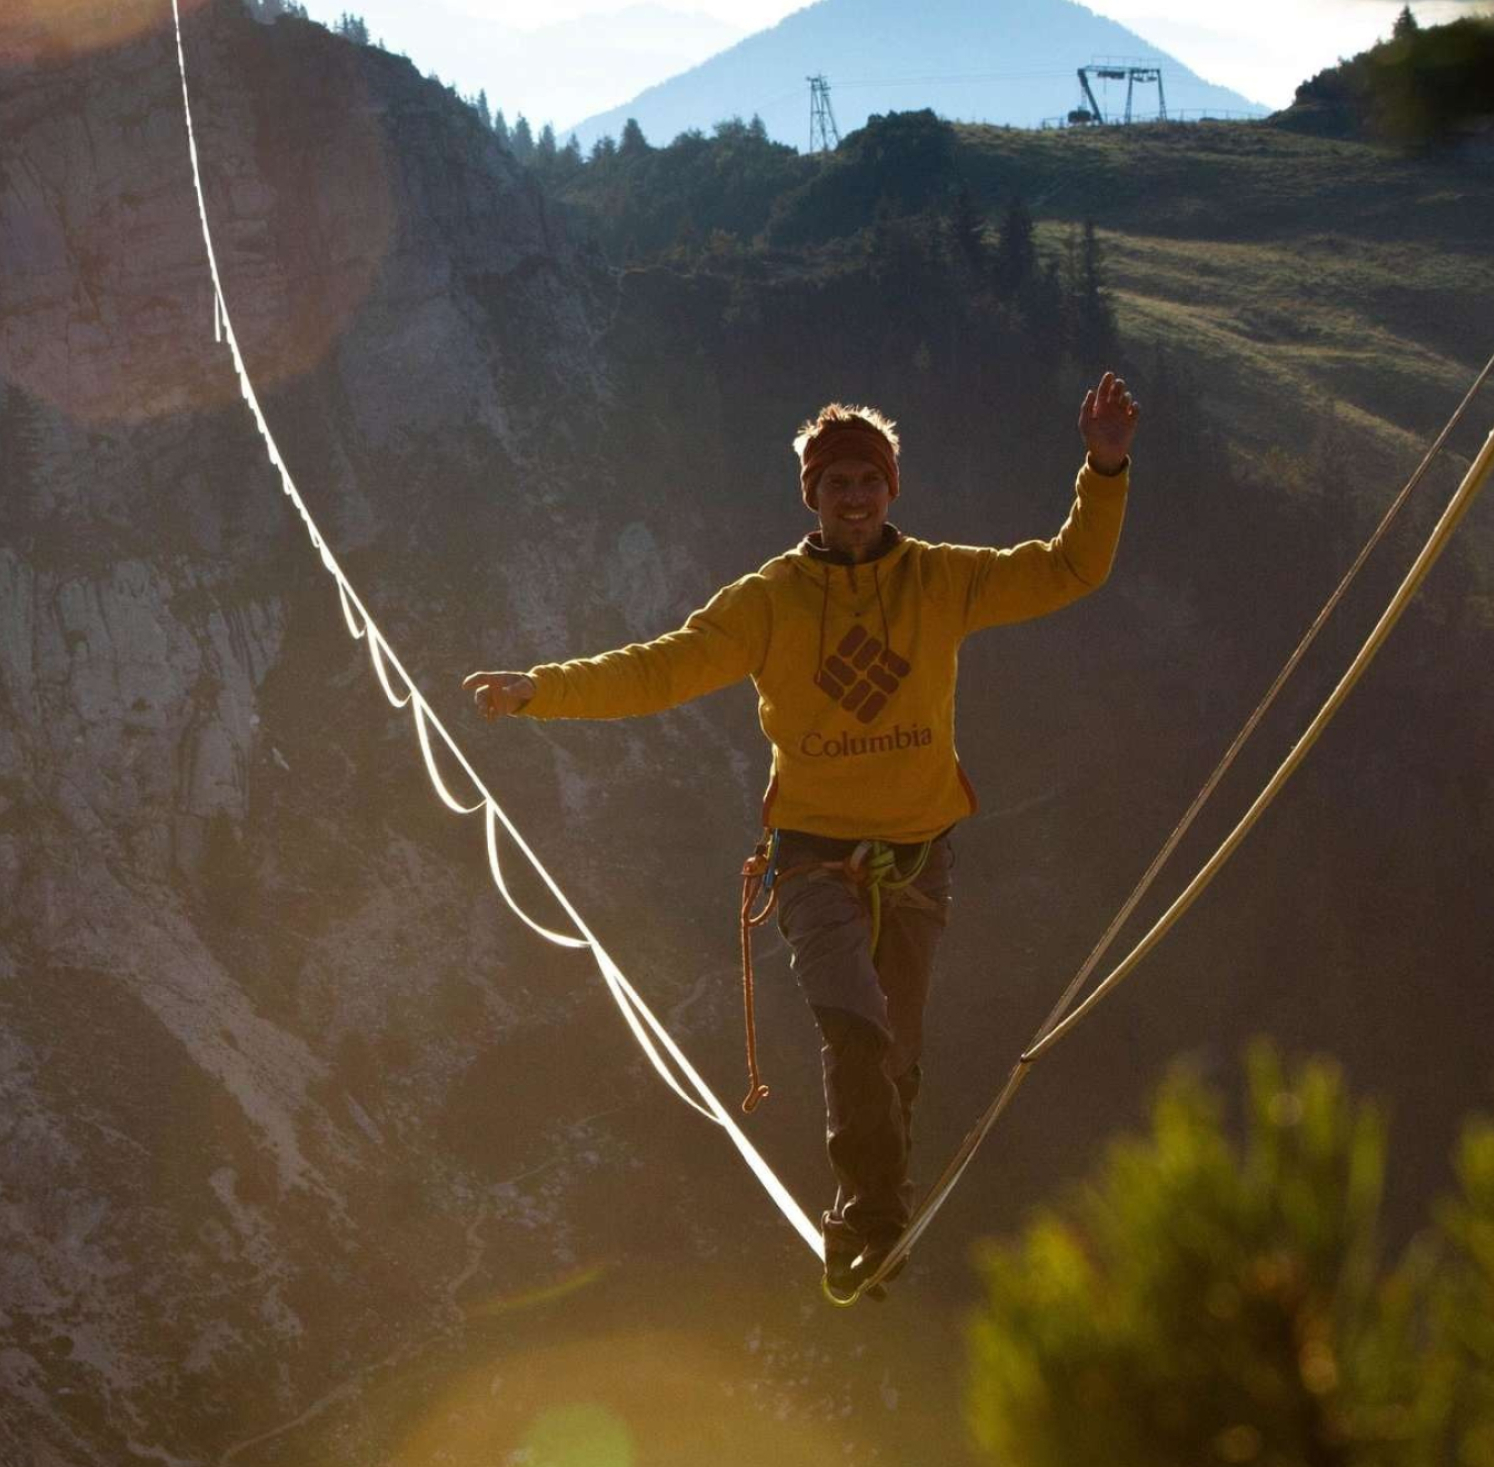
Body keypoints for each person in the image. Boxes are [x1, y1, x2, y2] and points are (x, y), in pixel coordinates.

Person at [463, 373, 1139, 1303]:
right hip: (815, 857)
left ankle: (870, 1209)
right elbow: (659, 671)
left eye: (868, 481)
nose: (854, 499)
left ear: (889, 489)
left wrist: (1104, 467)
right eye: (836, 485)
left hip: (916, 857)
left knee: (892, 1056)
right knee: (854, 1031)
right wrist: (541, 688)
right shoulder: (768, 602)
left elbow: (1071, 568)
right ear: (811, 498)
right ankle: (871, 1221)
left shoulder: (943, 580)